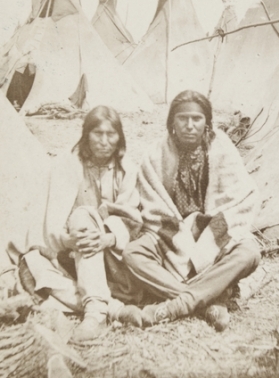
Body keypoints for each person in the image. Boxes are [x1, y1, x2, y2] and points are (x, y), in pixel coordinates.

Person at [121, 90, 261, 332]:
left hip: (212, 232)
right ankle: (207, 302)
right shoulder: (155, 154)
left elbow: (240, 199)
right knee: (133, 253)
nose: (189, 125)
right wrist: (183, 232)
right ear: (171, 122)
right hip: (170, 237)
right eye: (182, 118)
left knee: (250, 252)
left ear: (207, 122)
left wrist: (204, 228)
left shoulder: (223, 149)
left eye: (196, 119)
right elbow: (154, 207)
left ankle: (179, 304)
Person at [20, 106, 144, 342]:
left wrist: (106, 238)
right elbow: (53, 221)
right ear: (86, 135)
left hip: (113, 257)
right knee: (33, 264)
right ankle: (112, 309)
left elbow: (133, 221)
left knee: (83, 215)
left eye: (111, 134)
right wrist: (69, 240)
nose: (104, 142)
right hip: (74, 251)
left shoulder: (127, 168)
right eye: (98, 133)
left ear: (120, 138)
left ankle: (95, 311)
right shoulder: (67, 164)